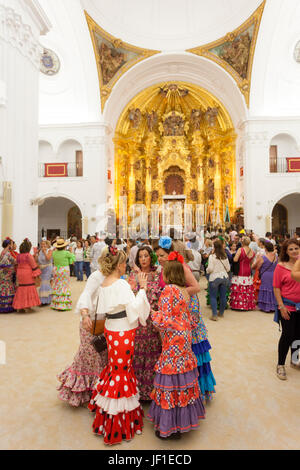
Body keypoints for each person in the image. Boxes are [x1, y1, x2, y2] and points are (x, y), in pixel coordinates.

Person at [87, 247, 150, 445]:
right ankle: (119, 423)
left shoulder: (105, 283)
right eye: (124, 263)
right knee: (122, 373)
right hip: (123, 331)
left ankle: (109, 416)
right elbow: (134, 308)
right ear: (119, 265)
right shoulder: (121, 285)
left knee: (115, 368)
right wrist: (142, 289)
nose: (126, 265)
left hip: (111, 329)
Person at [147, 251, 205, 439]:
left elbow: (163, 319)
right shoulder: (182, 290)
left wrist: (151, 312)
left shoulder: (168, 290)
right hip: (184, 336)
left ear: (168, 273)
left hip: (172, 338)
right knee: (182, 375)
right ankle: (182, 421)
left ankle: (169, 426)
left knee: (169, 377)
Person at [155, 236, 216, 403]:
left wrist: (176, 293)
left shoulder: (181, 267)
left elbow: (196, 287)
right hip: (173, 312)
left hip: (187, 309)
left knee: (192, 349)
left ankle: (199, 389)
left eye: (161, 255)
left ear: (170, 254)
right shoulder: (163, 269)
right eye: (158, 256)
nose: (159, 259)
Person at [57, 268, 108, 407]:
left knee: (101, 356)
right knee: (88, 355)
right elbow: (85, 294)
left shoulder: (117, 278)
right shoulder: (96, 276)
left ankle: (96, 391)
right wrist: (85, 314)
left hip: (105, 324)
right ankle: (82, 392)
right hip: (90, 323)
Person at [128, 246, 162, 401]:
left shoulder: (157, 274)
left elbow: (161, 295)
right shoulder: (133, 275)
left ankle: (152, 390)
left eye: (146, 256)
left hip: (153, 319)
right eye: (140, 256)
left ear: (151, 257)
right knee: (138, 350)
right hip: (139, 319)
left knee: (153, 350)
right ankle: (138, 390)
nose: (143, 259)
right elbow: (130, 296)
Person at [273, 239, 300, 380]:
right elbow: (276, 287)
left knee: (298, 335)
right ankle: (280, 365)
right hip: (287, 306)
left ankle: (295, 360)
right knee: (287, 335)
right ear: (286, 251)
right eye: (291, 249)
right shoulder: (281, 267)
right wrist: (281, 306)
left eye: (296, 248)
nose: (294, 251)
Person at [13, 239, 41, 312]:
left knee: (21, 288)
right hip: (27, 273)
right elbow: (33, 265)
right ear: (28, 248)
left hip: (20, 273)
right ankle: (28, 306)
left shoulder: (18, 256)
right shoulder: (28, 255)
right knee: (29, 287)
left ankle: (21, 307)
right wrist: (37, 271)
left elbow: (16, 263)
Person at [207, 240, 231, 321]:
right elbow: (228, 268)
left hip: (214, 278)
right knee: (223, 296)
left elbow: (210, 268)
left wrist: (207, 270)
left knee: (213, 296)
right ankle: (221, 313)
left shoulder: (212, 256)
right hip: (224, 277)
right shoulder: (225, 256)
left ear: (214, 247)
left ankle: (214, 315)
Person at [230, 236, 256, 311]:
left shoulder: (240, 250)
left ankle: (239, 305)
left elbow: (235, 260)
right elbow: (251, 263)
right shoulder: (252, 251)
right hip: (248, 270)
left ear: (242, 242)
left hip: (240, 270)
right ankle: (247, 304)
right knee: (247, 287)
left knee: (240, 287)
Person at [252, 241, 278, 313]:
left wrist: (256, 260)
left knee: (265, 289)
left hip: (265, 275)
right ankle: (273, 306)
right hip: (273, 274)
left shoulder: (263, 257)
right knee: (272, 290)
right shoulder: (276, 257)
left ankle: (265, 306)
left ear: (265, 249)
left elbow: (257, 267)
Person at [51, 239, 76, 311]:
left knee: (57, 285)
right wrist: (71, 252)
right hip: (64, 270)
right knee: (64, 285)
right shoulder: (66, 253)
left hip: (56, 269)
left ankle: (56, 303)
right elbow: (73, 258)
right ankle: (63, 304)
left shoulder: (54, 253)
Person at [0, 239, 16, 313]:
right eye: (12, 244)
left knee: (3, 288)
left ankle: (3, 305)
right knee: (7, 288)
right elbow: (14, 261)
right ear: (9, 245)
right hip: (7, 274)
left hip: (2, 274)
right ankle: (7, 306)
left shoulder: (2, 252)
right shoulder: (7, 253)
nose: (12, 246)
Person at [37, 240, 53, 306]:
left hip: (48, 268)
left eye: (44, 244)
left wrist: (44, 252)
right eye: (42, 244)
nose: (43, 246)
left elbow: (48, 258)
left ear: (47, 245)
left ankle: (43, 301)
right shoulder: (39, 251)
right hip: (42, 269)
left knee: (44, 284)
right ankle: (47, 299)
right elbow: (37, 260)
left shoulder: (49, 250)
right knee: (43, 284)